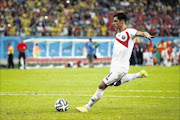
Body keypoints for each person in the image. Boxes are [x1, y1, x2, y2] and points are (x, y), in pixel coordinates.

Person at [76, 13, 154, 112]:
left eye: (115, 21)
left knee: (102, 85)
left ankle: (87, 107)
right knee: (117, 83)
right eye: (113, 21)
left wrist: (146, 35)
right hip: (114, 67)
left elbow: (140, 33)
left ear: (122, 21)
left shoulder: (129, 32)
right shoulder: (117, 35)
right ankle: (139, 74)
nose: (113, 23)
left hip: (121, 69)